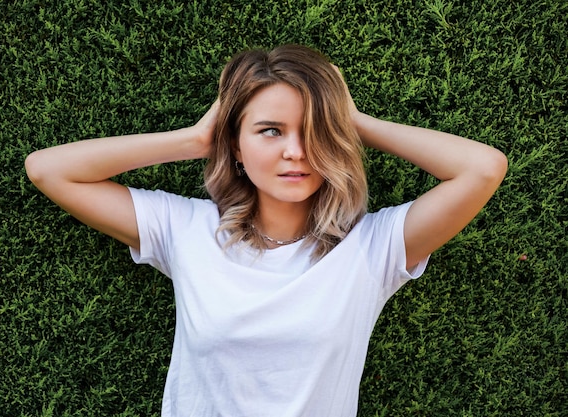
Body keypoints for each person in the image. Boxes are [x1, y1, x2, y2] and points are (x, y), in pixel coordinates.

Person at [25, 44, 507, 416]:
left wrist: (348, 119)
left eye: (314, 131)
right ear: (235, 144)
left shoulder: (371, 249)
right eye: (270, 130)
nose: (295, 151)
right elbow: (49, 169)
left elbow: (482, 168)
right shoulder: (186, 229)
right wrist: (195, 140)